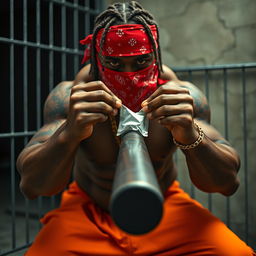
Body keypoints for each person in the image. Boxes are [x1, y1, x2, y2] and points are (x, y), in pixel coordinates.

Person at [17, 1, 255, 255]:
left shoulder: (183, 97)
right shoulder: (69, 97)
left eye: (141, 62)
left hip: (165, 207)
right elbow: (33, 186)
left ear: (156, 54)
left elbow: (227, 183)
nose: (129, 74)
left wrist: (190, 133)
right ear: (97, 58)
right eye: (115, 65)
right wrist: (69, 133)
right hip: (89, 212)